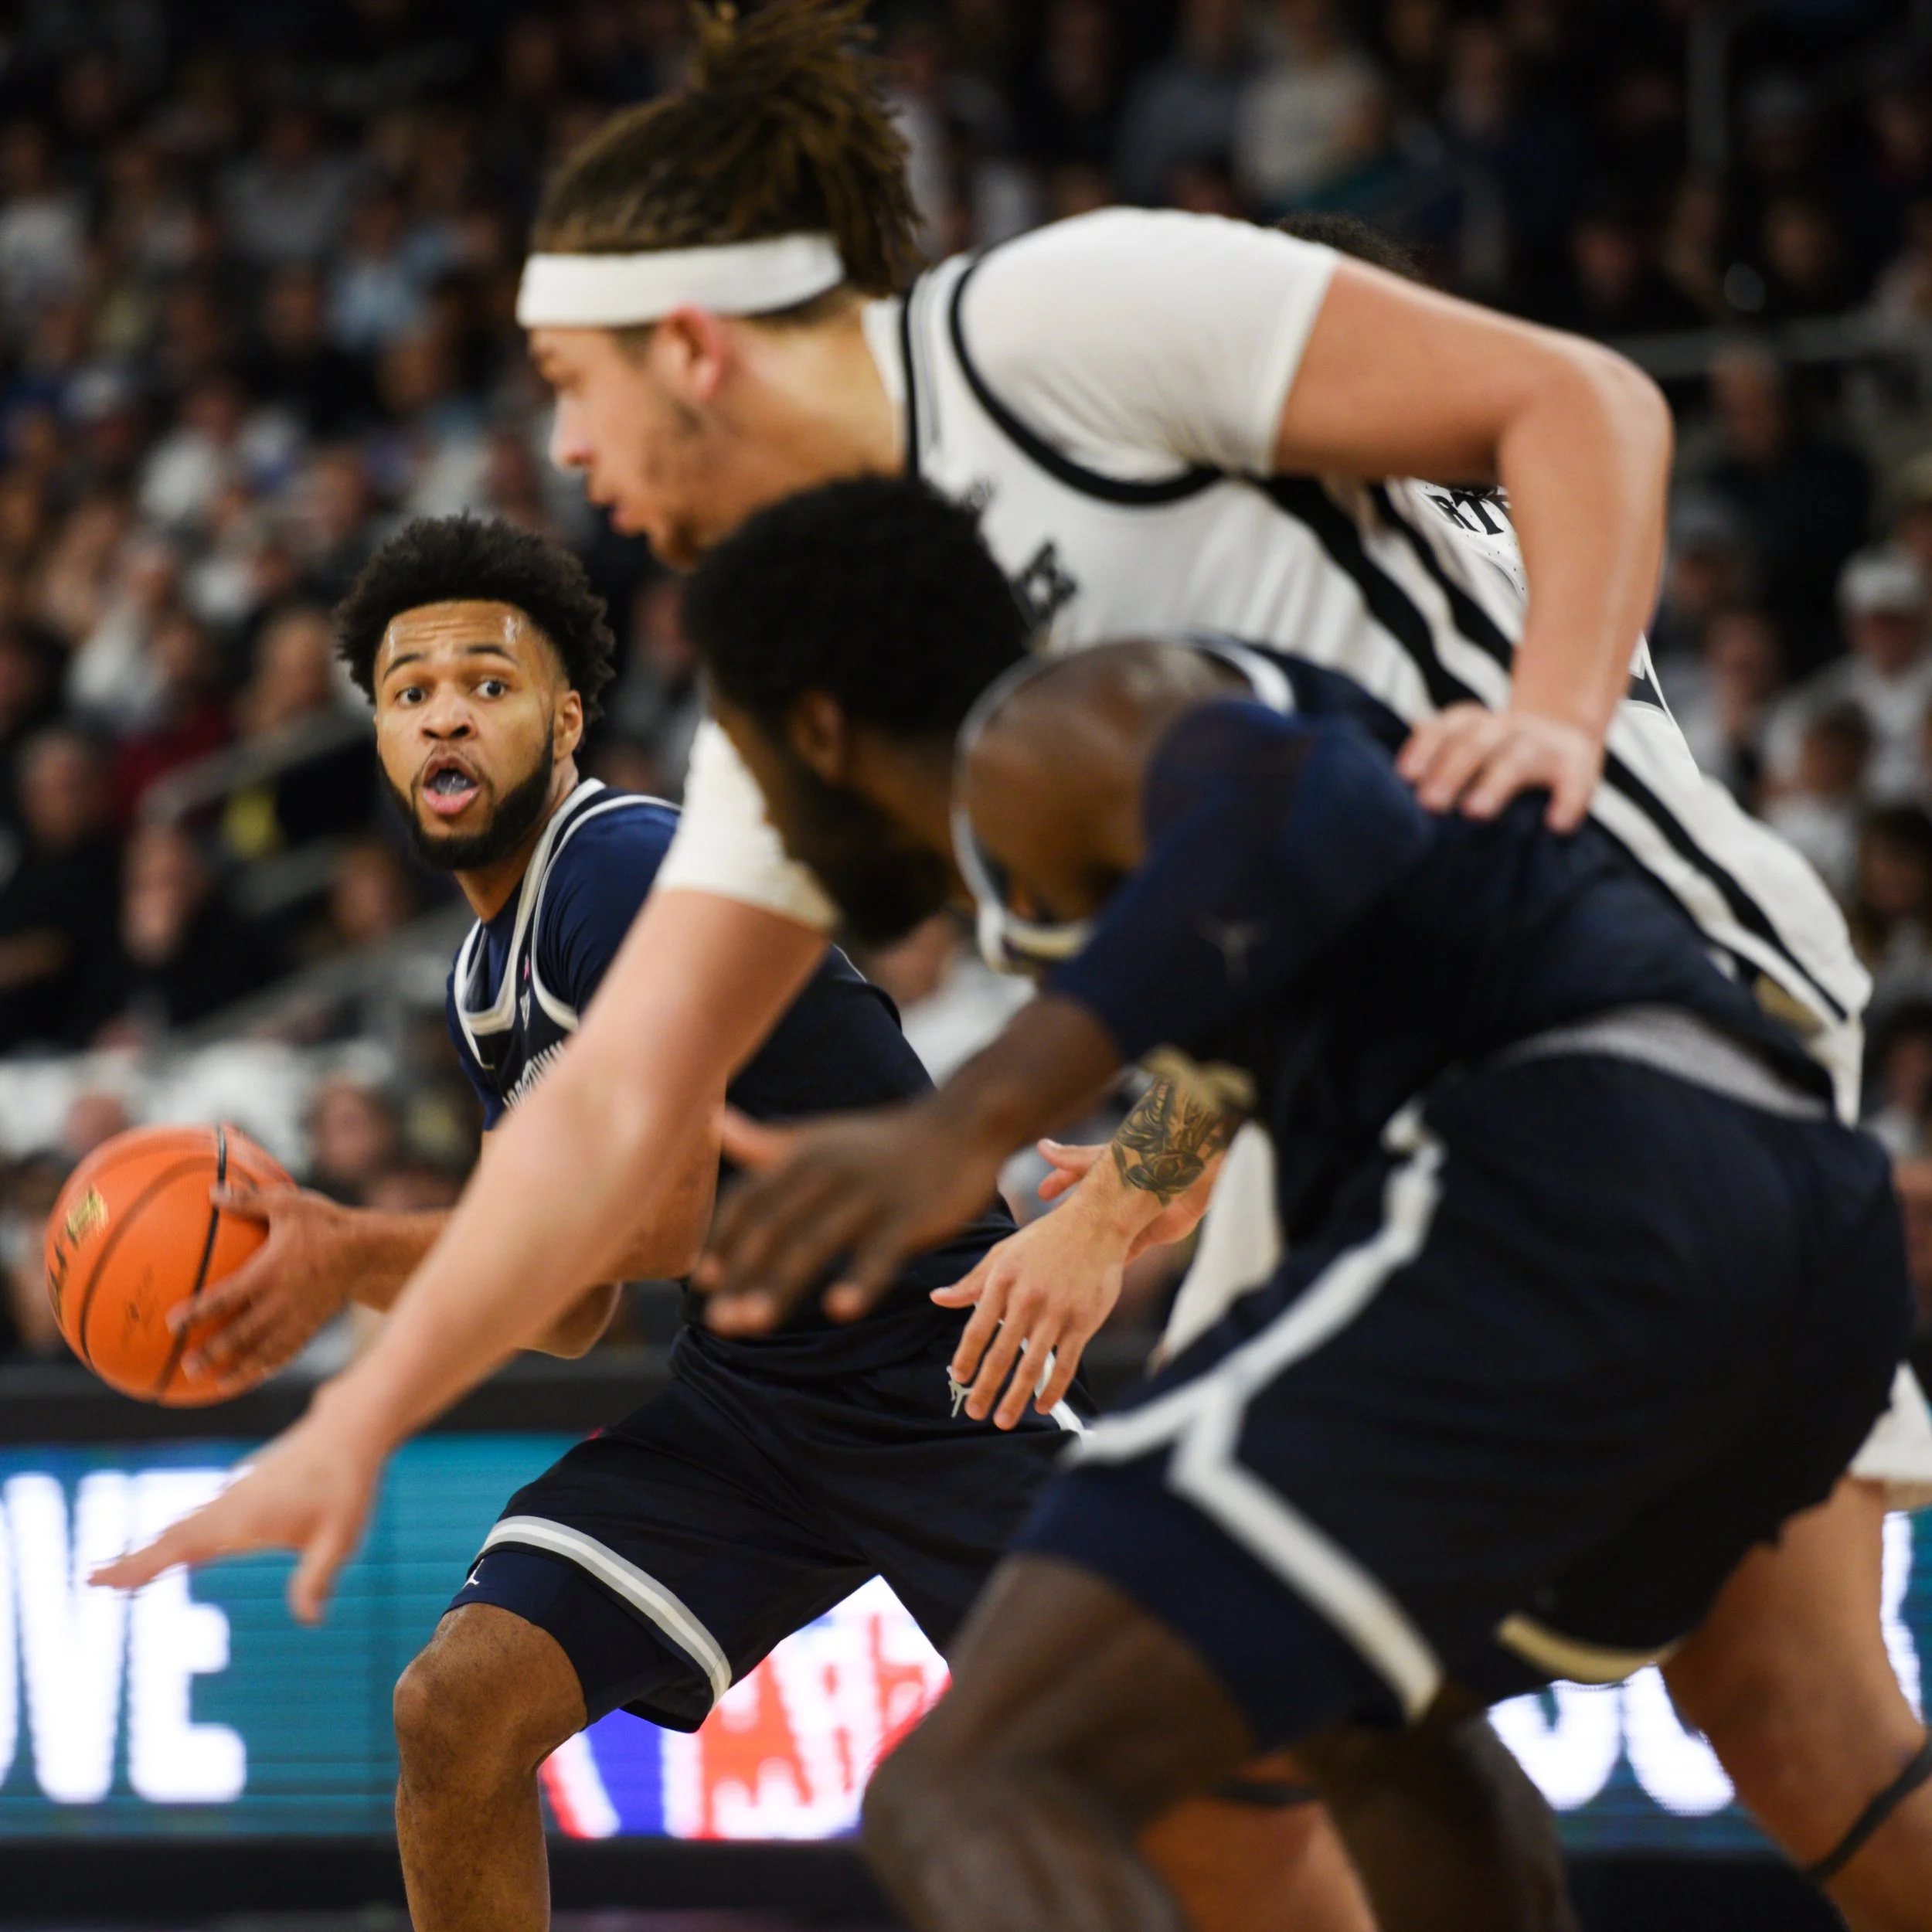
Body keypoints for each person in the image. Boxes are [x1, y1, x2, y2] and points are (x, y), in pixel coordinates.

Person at [98, 6, 1932, 1922]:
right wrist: (354, 1408)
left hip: (1611, 1009)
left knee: (1061, 1764)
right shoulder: (812, 662)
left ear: (692, 344)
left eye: (571, 382)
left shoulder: (1042, 333)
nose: (560, 447)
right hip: (1377, 1081)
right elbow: (616, 1113)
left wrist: (1541, 729)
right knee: (1700, 1723)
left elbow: (1560, 438)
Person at [669, 474, 1920, 1931]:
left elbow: (1317, 819)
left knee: (983, 1780)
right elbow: (1298, 909)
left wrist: (968, 1125)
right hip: (1777, 1190)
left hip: (1575, 1169)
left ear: (814, 728)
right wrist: (1132, 1187)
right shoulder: (1225, 701)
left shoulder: (1051, 722)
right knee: (1370, 1716)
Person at [155, 513, 1369, 1932]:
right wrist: (348, 1276)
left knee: (1173, 1795)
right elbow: (572, 1310)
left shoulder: (618, 861)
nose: (446, 717)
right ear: (376, 733)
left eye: (487, 683)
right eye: (410, 690)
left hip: (938, 1365)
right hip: (748, 1399)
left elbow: (660, 1220)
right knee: (456, 1707)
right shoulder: (485, 976)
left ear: (566, 718)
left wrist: (355, 1249)